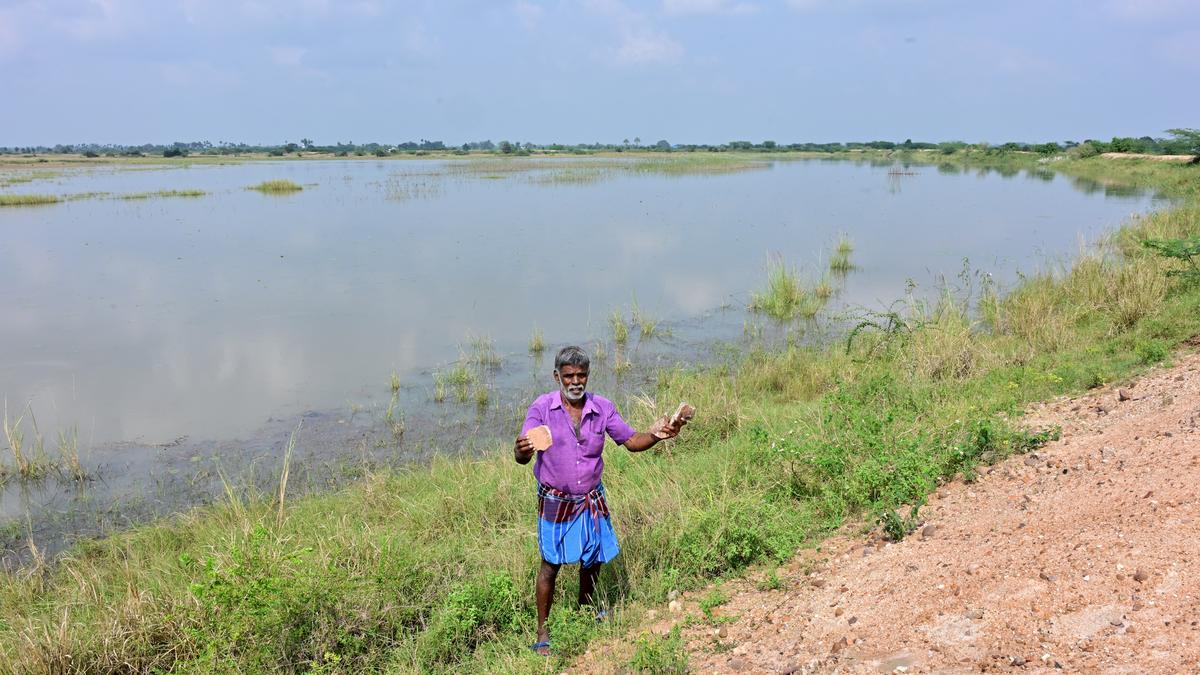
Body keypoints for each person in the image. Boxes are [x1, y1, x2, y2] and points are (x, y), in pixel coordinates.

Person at [515, 345, 685, 657]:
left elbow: (632, 441)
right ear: (557, 377)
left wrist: (660, 434)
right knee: (550, 565)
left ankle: (585, 609)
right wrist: (523, 449)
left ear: (588, 376)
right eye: (569, 376)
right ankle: (543, 630)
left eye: (581, 375)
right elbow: (522, 454)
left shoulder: (601, 407)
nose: (575, 381)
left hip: (591, 499)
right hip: (556, 500)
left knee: (592, 560)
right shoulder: (541, 408)